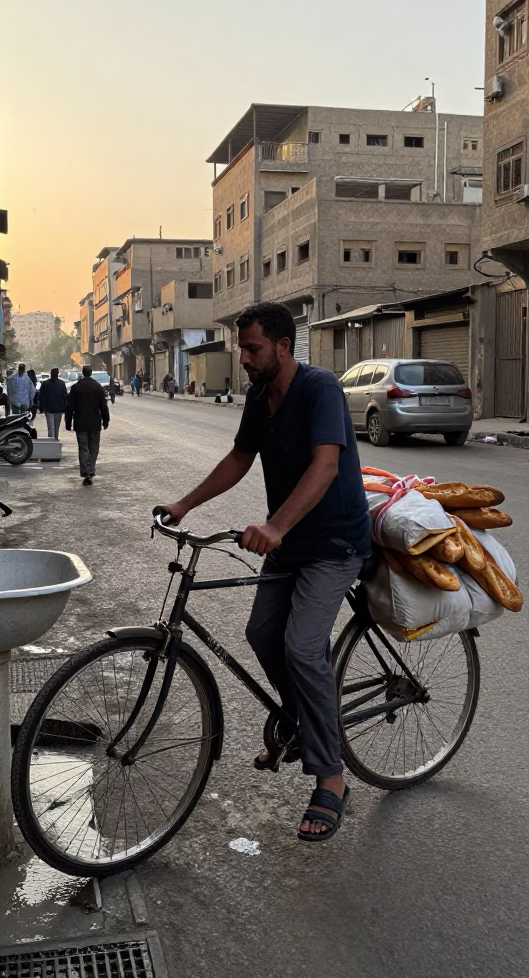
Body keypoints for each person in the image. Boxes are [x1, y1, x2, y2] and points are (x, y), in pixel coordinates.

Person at [159, 301, 371, 844]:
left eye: (253, 349)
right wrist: (184, 504)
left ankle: (331, 777)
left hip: (335, 543)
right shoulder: (259, 397)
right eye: (242, 349)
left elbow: (326, 465)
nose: (245, 359)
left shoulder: (320, 389)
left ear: (282, 346)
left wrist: (275, 527)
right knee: (260, 632)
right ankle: (306, 719)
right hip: (292, 542)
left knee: (303, 647)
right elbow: (239, 458)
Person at [65, 365, 110, 485]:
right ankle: (91, 470)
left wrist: (68, 422)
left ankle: (85, 471)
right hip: (95, 422)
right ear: (91, 373)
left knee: (83, 447)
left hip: (80, 422)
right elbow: (103, 406)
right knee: (94, 448)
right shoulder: (97, 387)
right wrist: (106, 420)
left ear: (83, 373)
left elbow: (70, 407)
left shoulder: (76, 387)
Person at [38, 367, 68, 439]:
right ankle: (55, 439)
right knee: (57, 427)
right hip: (59, 408)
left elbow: (41, 397)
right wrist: (65, 407)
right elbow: (65, 396)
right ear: (58, 374)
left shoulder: (45, 384)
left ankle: (51, 440)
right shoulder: (62, 383)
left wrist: (42, 408)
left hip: (49, 408)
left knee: (51, 427)